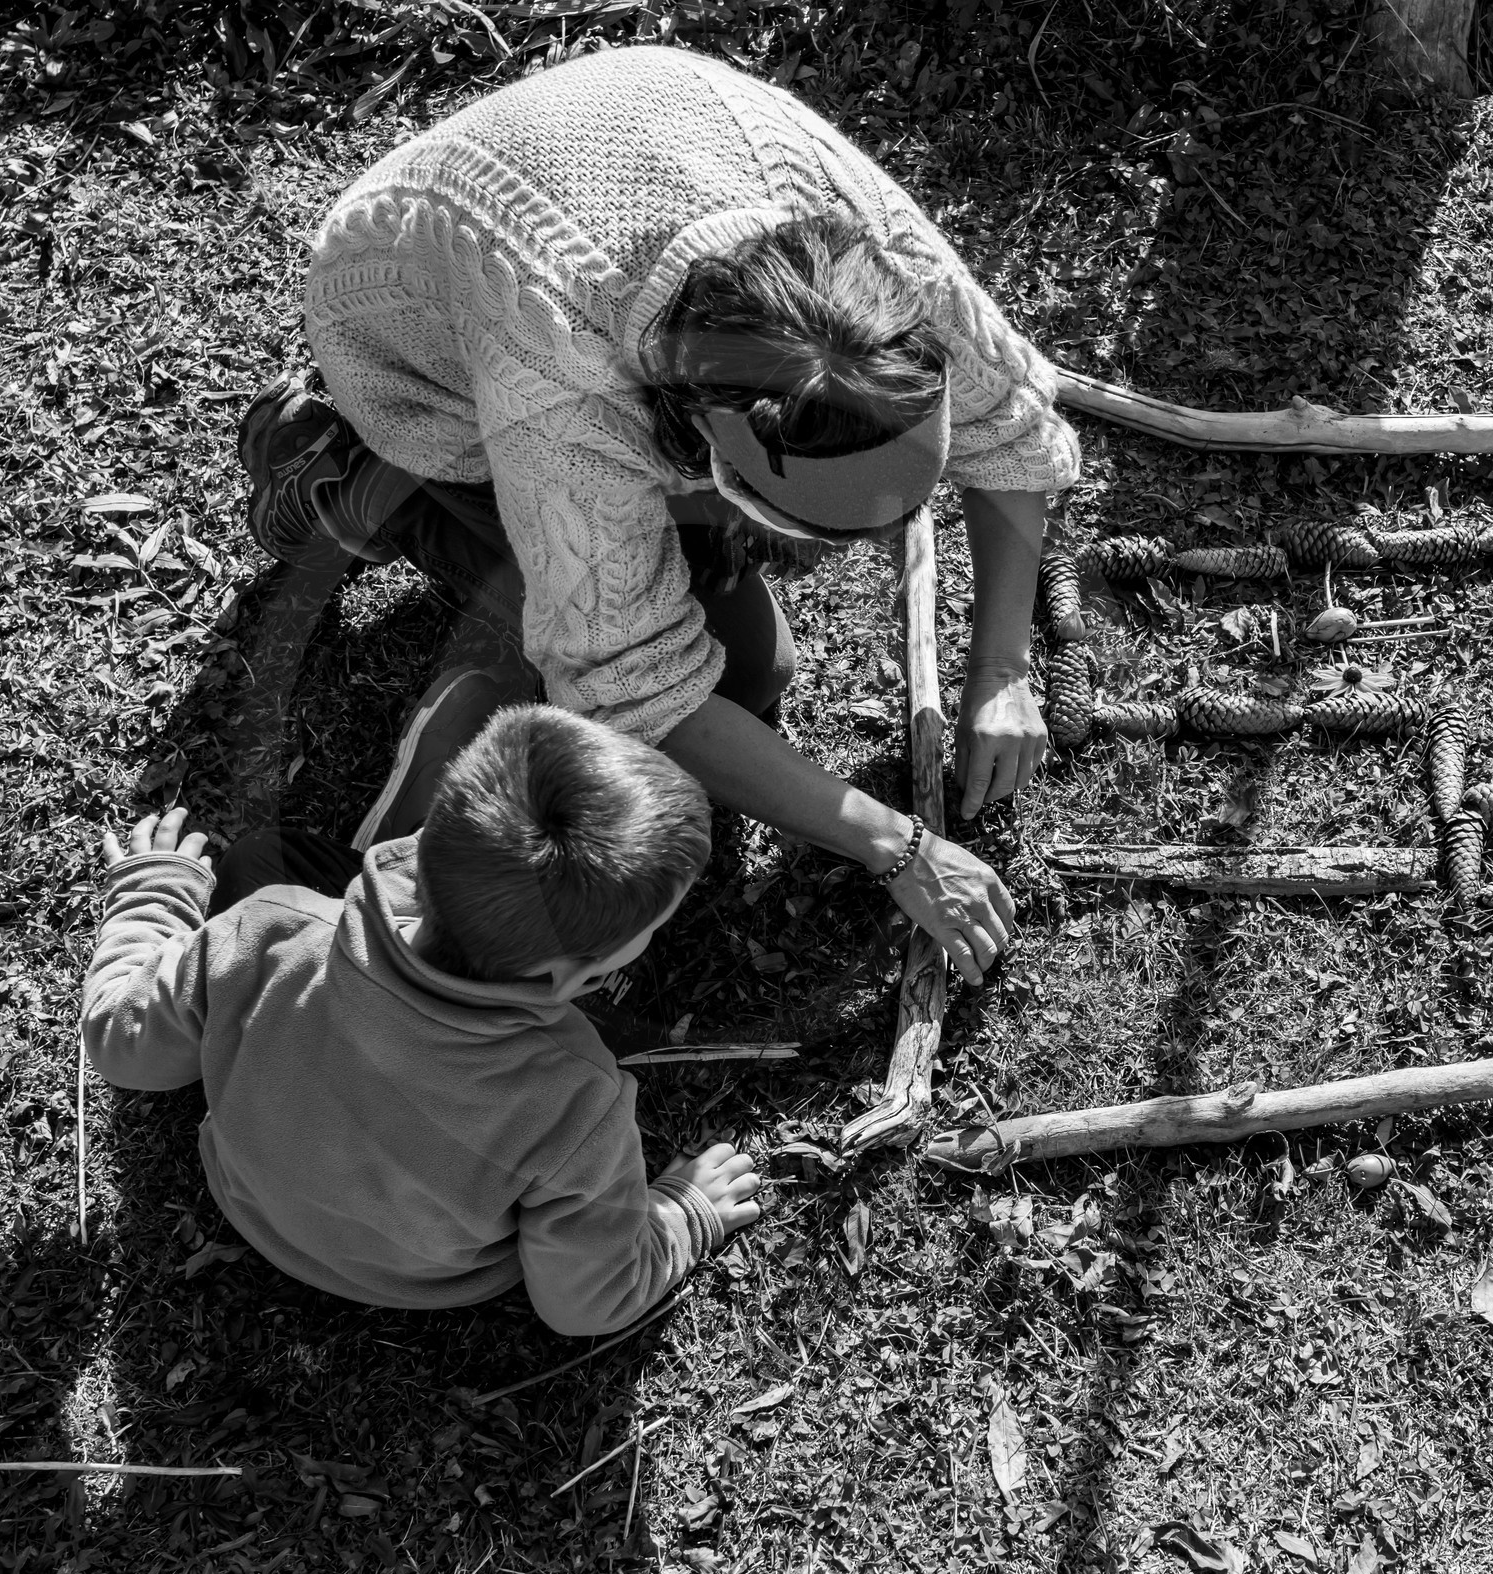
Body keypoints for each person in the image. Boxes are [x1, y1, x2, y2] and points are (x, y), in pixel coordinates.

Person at [239, 44, 1080, 986]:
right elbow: (633, 677)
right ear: (709, 442)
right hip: (408, 333)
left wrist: (1002, 667)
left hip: (618, 161)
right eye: (811, 532)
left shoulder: (872, 262)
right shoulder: (562, 387)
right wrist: (898, 845)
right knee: (734, 673)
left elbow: (1009, 427)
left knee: (730, 671)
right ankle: (341, 463)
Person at [80, 705, 761, 1337]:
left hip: (247, 1196)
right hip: (417, 1279)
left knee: (259, 857)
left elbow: (120, 1047)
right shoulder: (578, 1104)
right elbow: (585, 1302)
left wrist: (154, 893)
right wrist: (681, 1214)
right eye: (648, 933)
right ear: (570, 981)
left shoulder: (269, 930)